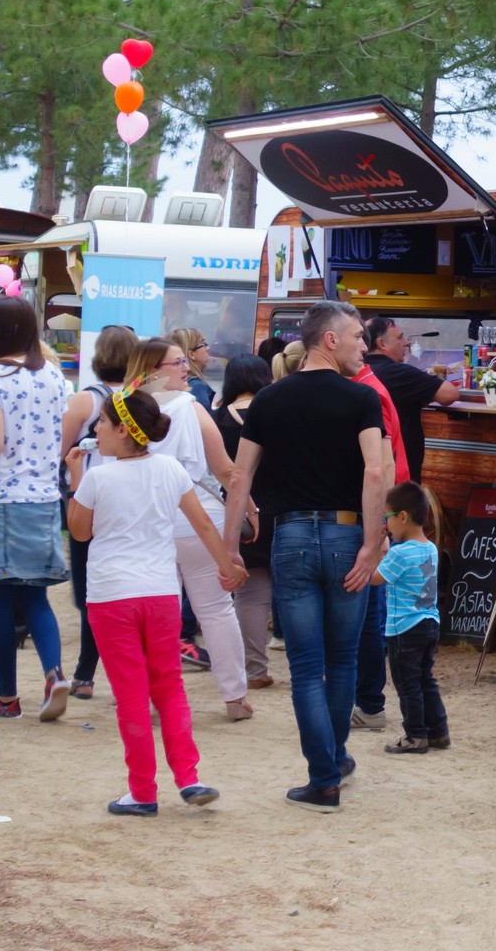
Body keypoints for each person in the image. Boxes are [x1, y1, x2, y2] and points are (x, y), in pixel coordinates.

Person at [221, 300, 389, 813]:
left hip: (290, 536)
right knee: (342, 661)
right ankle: (332, 763)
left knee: (305, 663)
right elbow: (376, 472)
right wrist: (371, 542)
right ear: (330, 340)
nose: (365, 344)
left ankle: (325, 775)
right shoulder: (361, 400)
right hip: (345, 536)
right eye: (358, 336)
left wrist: (229, 548)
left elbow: (239, 477)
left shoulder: (268, 401)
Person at [66, 386, 245, 815]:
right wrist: (227, 566)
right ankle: (189, 777)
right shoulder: (168, 469)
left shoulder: (97, 476)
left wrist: (75, 477)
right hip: (161, 593)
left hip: (112, 595)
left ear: (125, 432)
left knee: (131, 693)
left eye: (104, 423)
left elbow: (79, 532)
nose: (96, 429)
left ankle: (143, 792)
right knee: (169, 686)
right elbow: (202, 524)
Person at [125, 338, 255, 721]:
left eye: (185, 360)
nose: (186, 367)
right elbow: (225, 468)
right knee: (215, 610)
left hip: (147, 522)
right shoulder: (188, 406)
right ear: (153, 369)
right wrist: (250, 504)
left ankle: (153, 698)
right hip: (196, 520)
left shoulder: (122, 409)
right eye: (177, 362)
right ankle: (235, 697)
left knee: (154, 614)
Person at [0, 297, 71, 720]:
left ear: (3, 328)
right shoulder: (55, 376)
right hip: (42, 497)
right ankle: (54, 672)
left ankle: (6, 698)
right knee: (36, 596)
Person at [58, 325, 139, 697]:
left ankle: (86, 675)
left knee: (88, 590)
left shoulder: (84, 401)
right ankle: (94, 674)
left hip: (89, 498)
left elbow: (57, 452)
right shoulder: (140, 399)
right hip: (132, 500)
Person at [349, 346, 410, 732]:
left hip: (374, 515)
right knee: (371, 609)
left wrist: (382, 528)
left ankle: (369, 700)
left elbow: (383, 464)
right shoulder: (365, 388)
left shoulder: (368, 392)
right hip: (376, 514)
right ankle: (366, 697)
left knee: (370, 611)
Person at [371, 481, 448, 755]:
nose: (386, 524)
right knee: (426, 679)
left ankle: (415, 735)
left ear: (402, 517)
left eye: (386, 518)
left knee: (407, 684)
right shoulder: (429, 548)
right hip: (430, 624)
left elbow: (375, 578)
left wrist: (376, 546)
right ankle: (439, 731)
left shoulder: (399, 553)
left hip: (403, 629)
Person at [214, 354, 276, 688]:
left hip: (240, 515)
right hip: (282, 509)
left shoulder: (218, 418)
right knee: (295, 592)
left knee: (250, 594)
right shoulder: (278, 413)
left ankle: (254, 670)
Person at [362, 316, 461, 482]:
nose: (406, 343)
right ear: (382, 344)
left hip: (365, 466)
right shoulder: (399, 373)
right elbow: (449, 394)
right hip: (399, 468)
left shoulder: (359, 370)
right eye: (400, 337)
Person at [170, 327, 215, 409]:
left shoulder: (173, 385)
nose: (208, 348)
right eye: (203, 344)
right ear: (191, 354)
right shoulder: (196, 387)